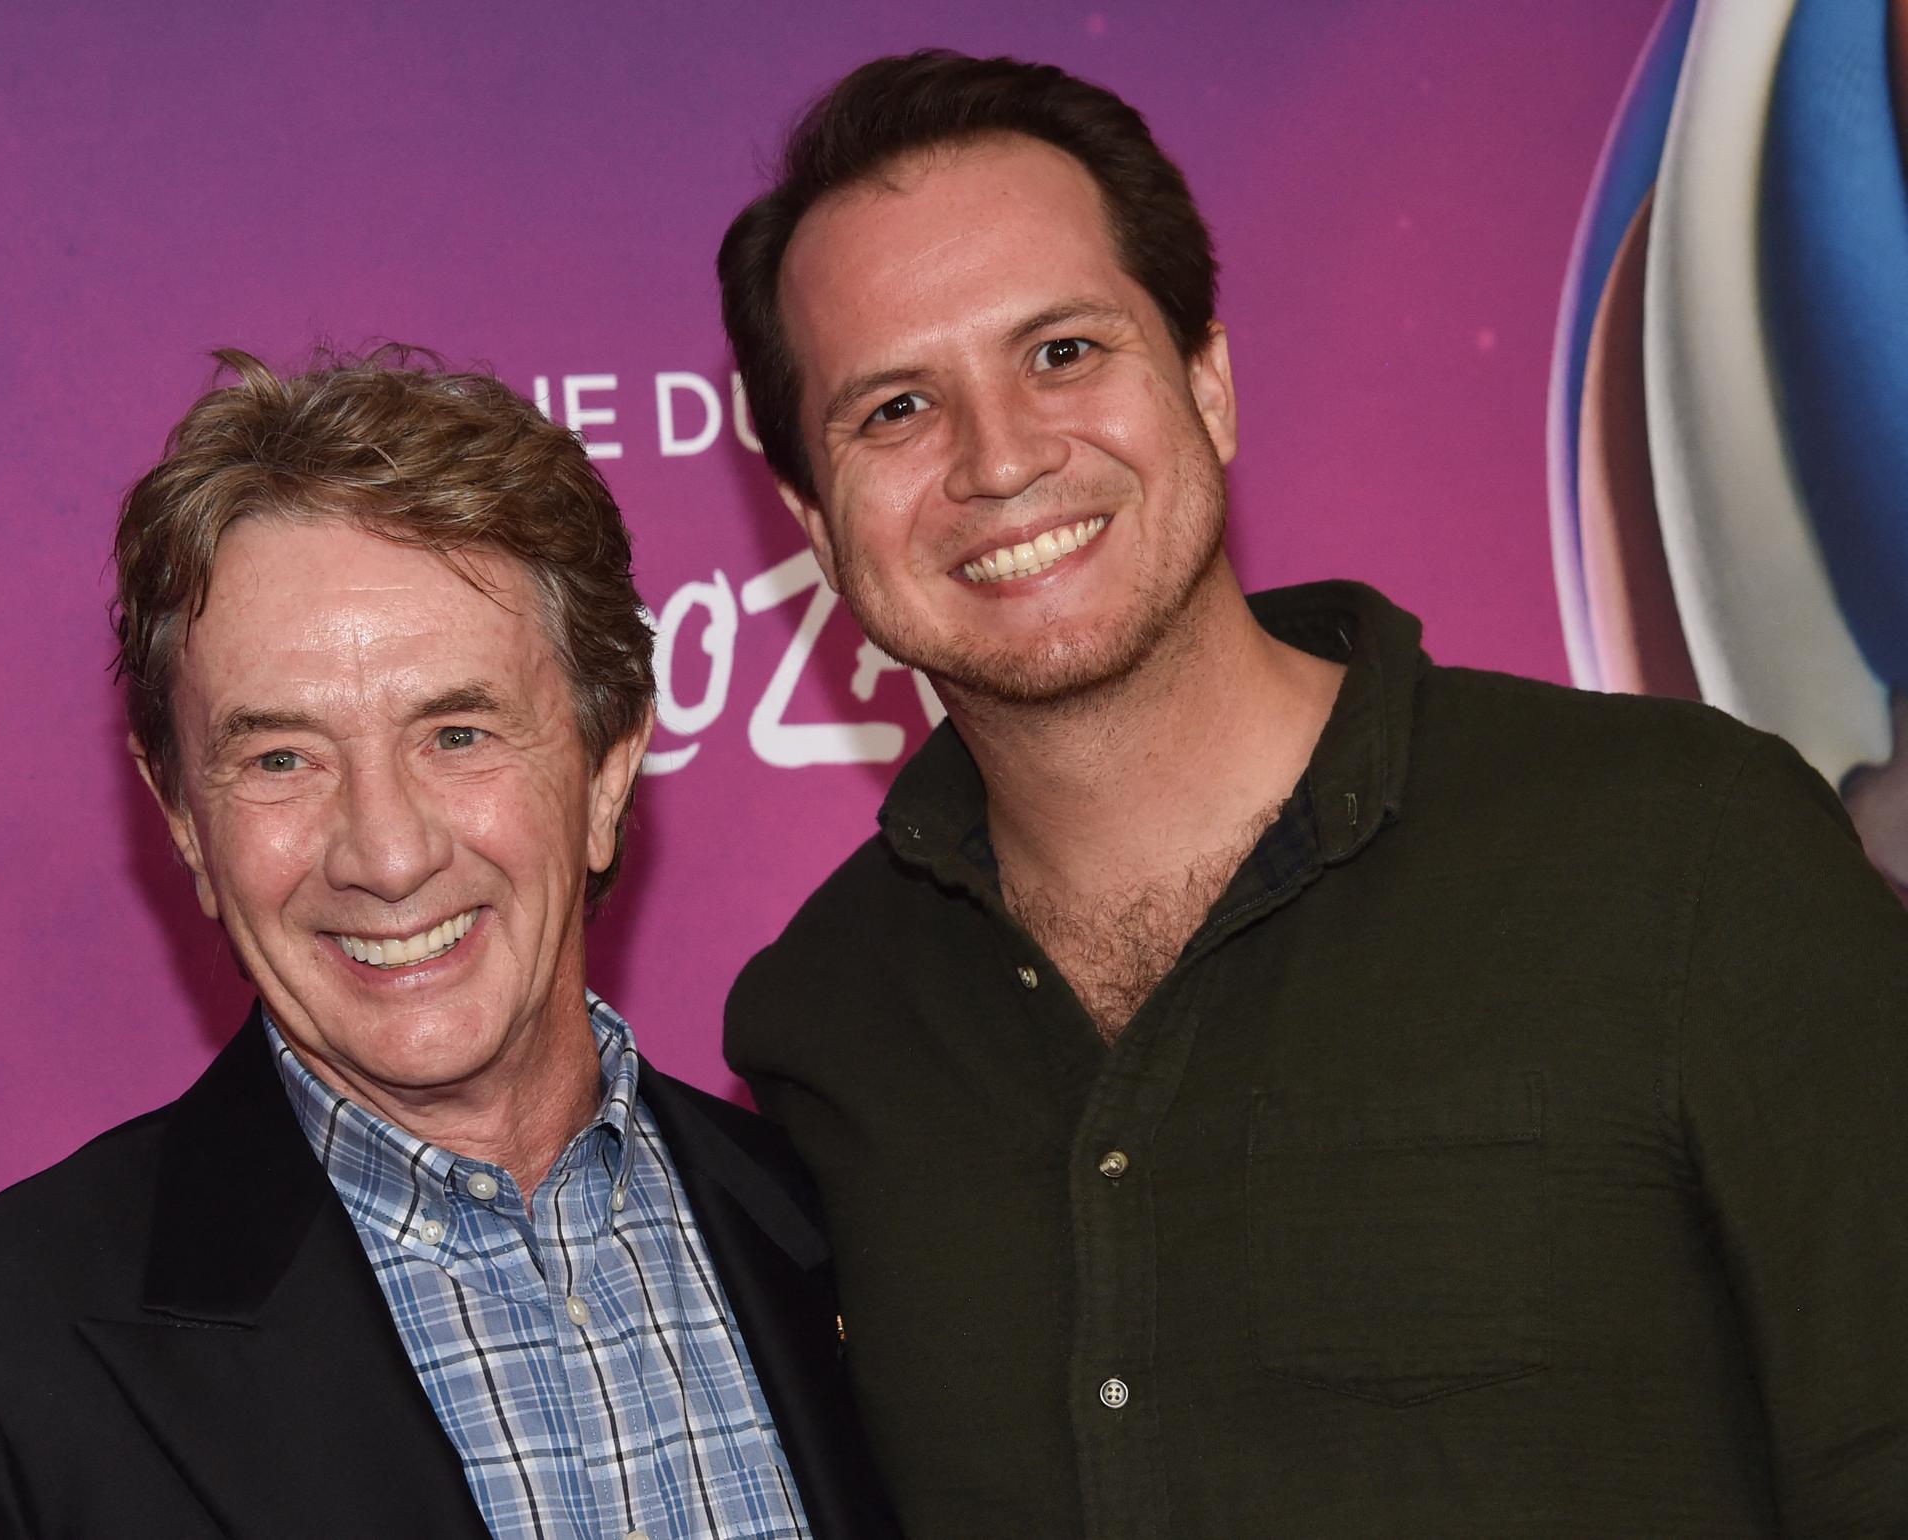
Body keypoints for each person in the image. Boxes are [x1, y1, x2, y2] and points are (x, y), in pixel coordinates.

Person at [716, 50, 1908, 1538]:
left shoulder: (1688, 850)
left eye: (1065, 352)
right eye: (894, 408)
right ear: (815, 526)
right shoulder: (833, 1023)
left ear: (1207, 384)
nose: (1000, 457)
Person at [0, 349, 897, 1539]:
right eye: (282, 759)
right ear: (183, 817)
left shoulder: (853, 1220)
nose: (384, 852)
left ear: (606, 768)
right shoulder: (4, 1355)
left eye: (460, 733)